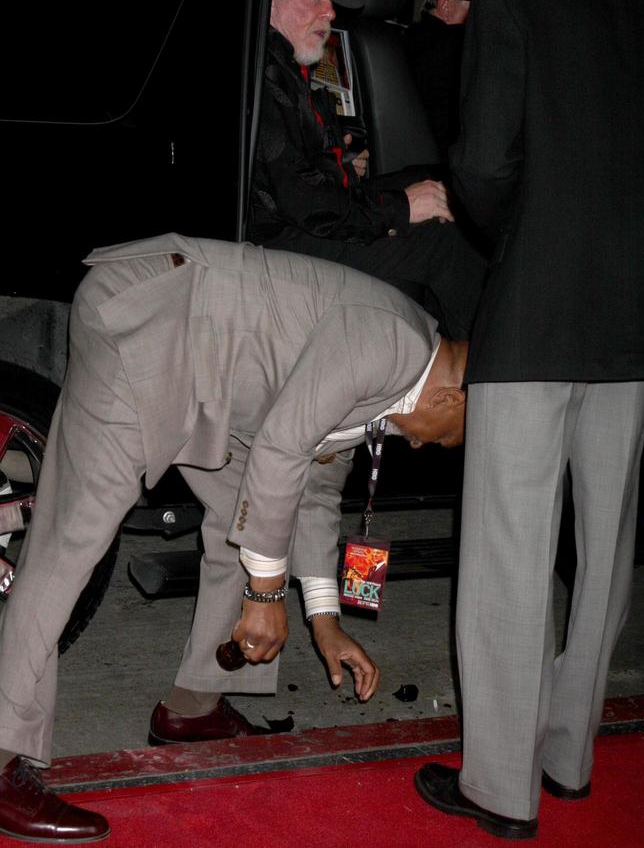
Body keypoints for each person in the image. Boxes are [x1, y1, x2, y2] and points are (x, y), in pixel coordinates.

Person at [0, 233, 469, 843]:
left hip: (211, 375)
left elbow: (314, 490)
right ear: (449, 396)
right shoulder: (391, 344)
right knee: (72, 541)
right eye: (441, 436)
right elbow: (279, 451)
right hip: (151, 323)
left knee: (240, 526)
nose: (422, 445)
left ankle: (193, 705)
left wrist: (325, 619)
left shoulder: (405, 376)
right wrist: (268, 597)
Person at [414, 0, 644, 840]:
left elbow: (478, 169)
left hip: (537, 308)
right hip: (638, 318)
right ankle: (568, 758)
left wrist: (529, 230)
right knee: (606, 550)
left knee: (513, 547)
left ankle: (499, 787)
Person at [249, 0, 488, 340]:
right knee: (443, 240)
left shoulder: (279, 61)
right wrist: (400, 208)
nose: (330, 12)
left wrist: (337, 160)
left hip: (293, 224)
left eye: (330, 0)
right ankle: (469, 374)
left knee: (430, 185)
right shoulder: (266, 73)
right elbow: (305, 202)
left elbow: (293, 171)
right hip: (278, 246)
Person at [404, 0, 489, 162]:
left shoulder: (403, 40)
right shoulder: (457, 52)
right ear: (445, 4)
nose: (487, 12)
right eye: (479, 3)